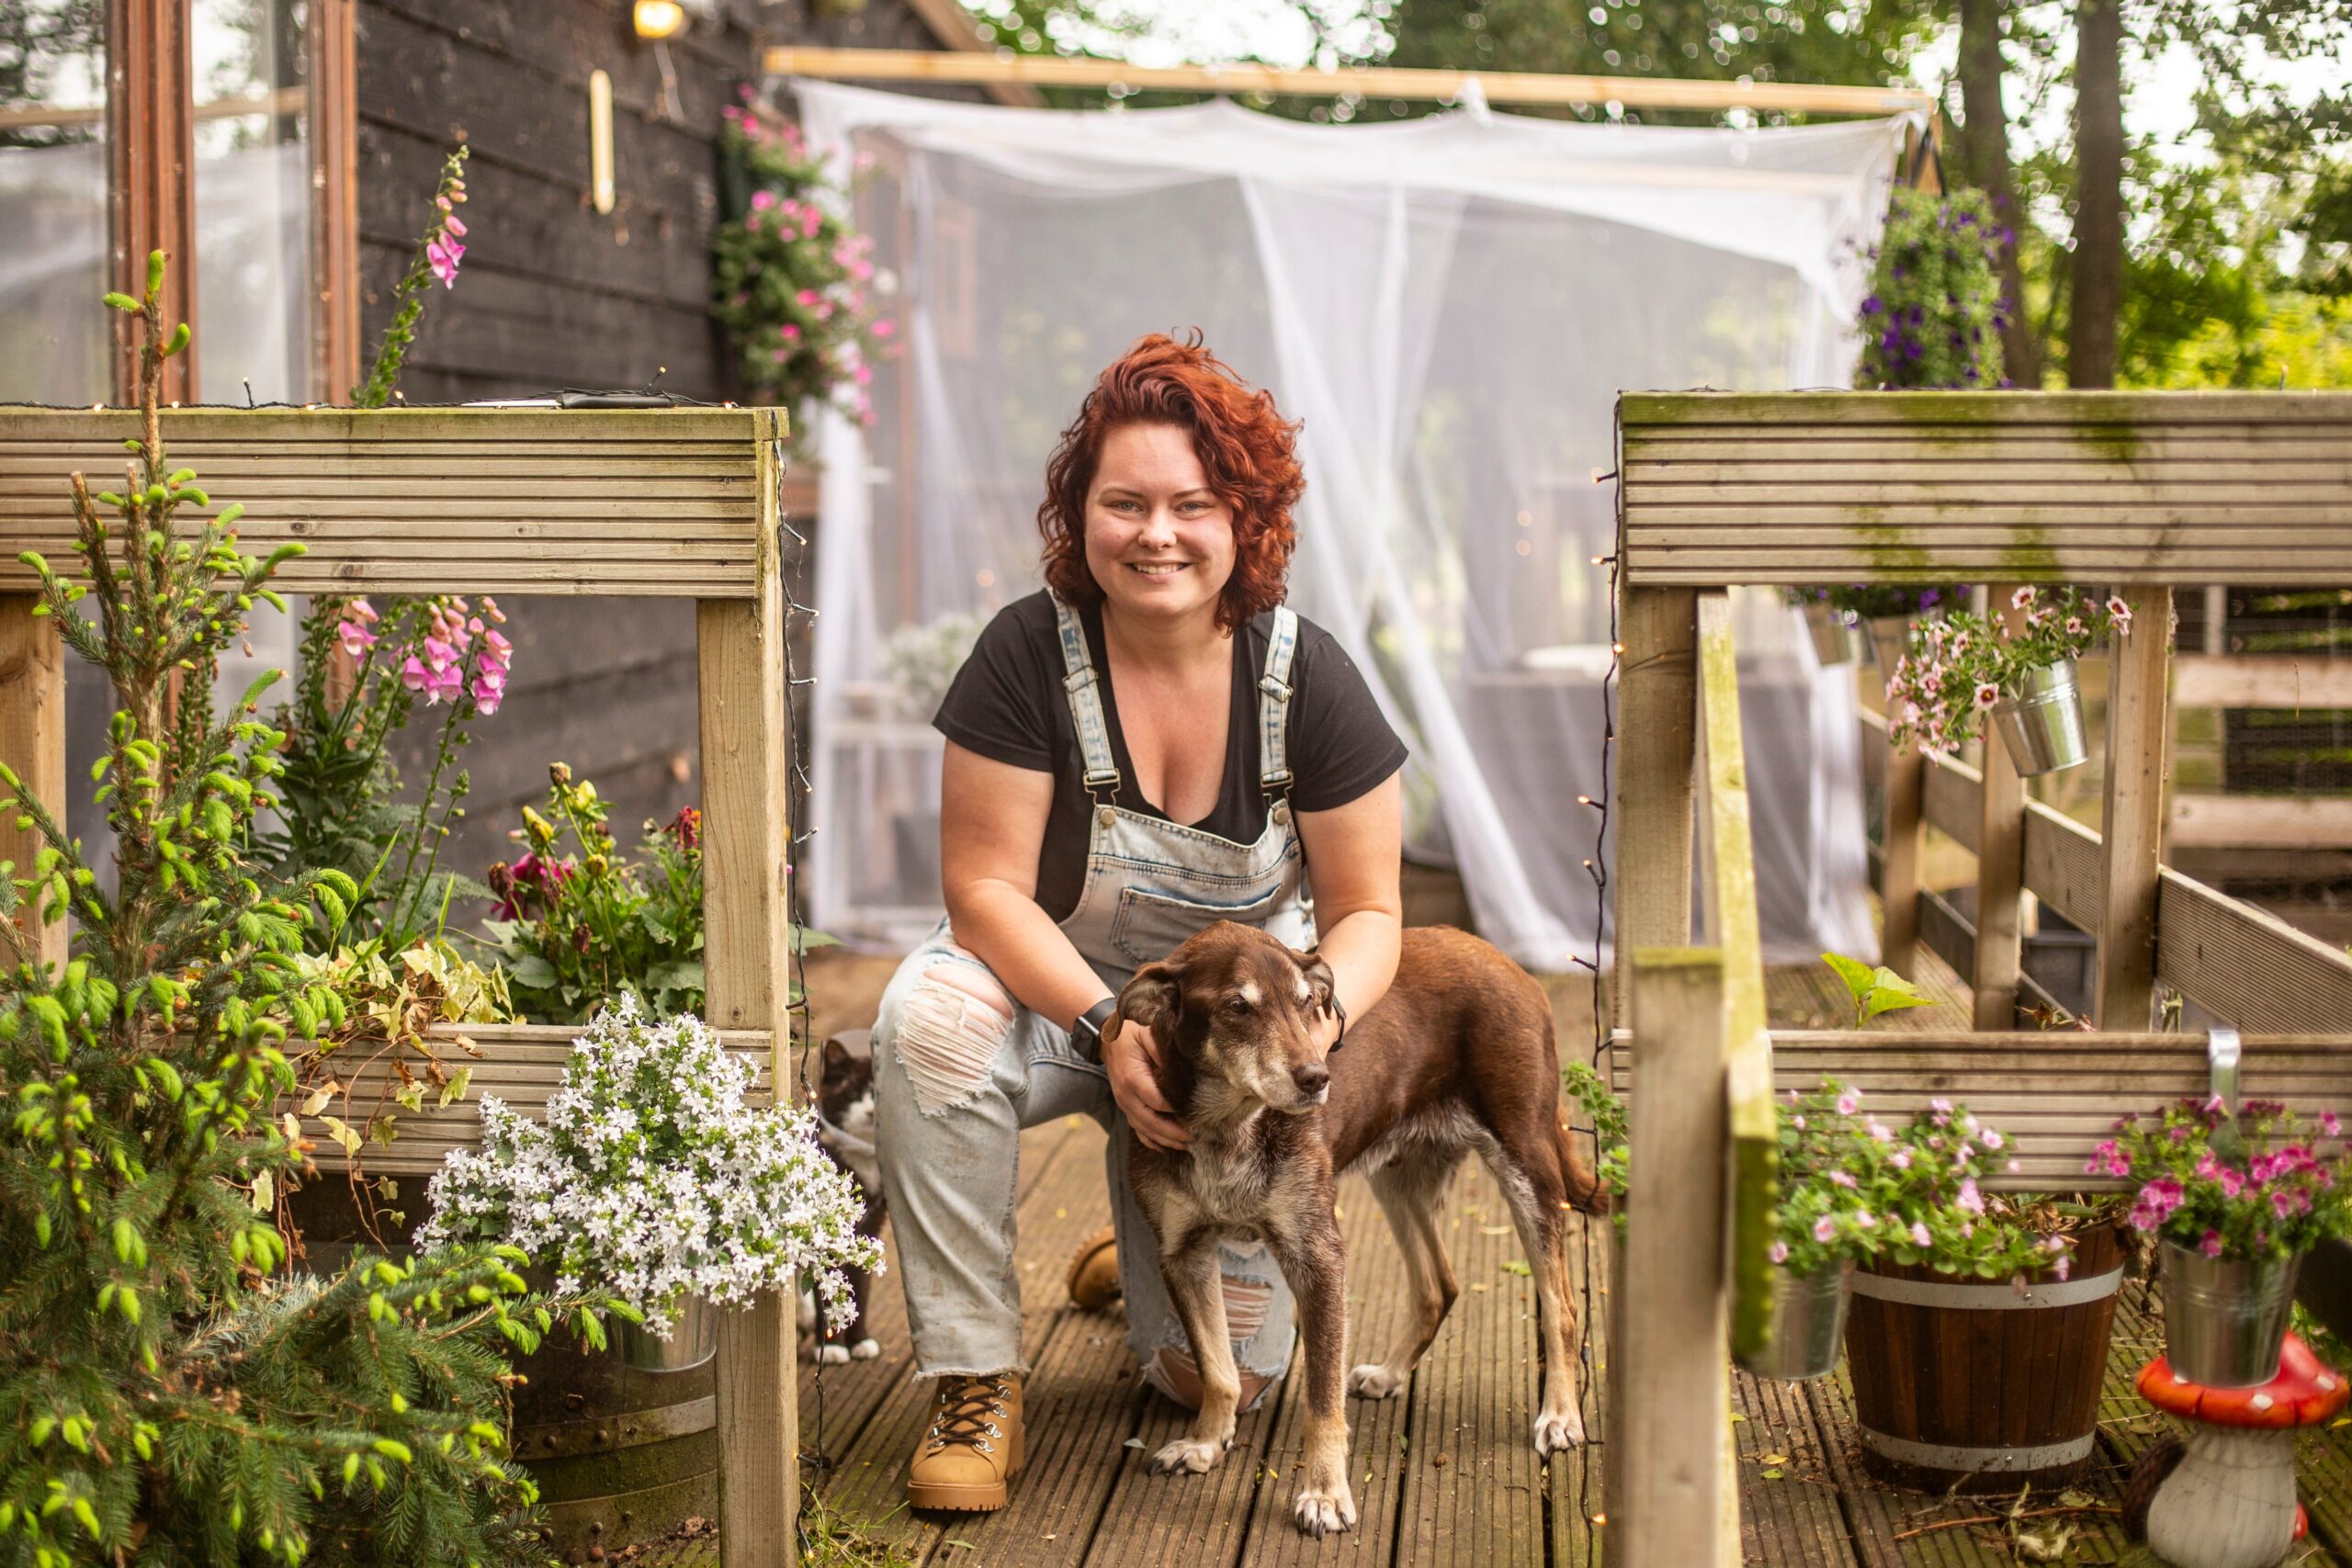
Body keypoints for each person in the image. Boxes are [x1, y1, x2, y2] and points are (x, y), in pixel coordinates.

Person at [868, 333, 1408, 1513]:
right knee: (925, 1022)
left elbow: (1370, 913)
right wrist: (1111, 1021)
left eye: (1192, 504)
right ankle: (972, 1374)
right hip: (1062, 1005)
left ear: (1244, 521)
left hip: (1236, 1050)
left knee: (1210, 1383)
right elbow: (987, 894)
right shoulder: (1025, 654)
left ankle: (1147, 1240)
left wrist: (1308, 1031)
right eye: (1124, 503)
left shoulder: (1305, 677)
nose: (1156, 534)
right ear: (1081, 514)